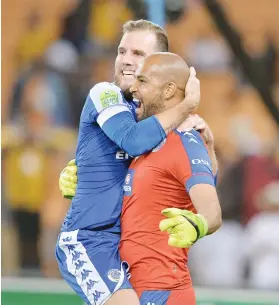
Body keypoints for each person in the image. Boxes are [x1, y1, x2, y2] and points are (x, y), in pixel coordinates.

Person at [55, 20, 200, 305]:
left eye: (138, 54)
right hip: (90, 239)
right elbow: (131, 139)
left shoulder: (162, 119)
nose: (125, 61)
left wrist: (204, 141)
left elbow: (200, 177)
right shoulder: (104, 93)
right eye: (122, 52)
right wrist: (186, 106)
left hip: (134, 247)